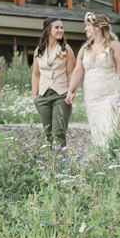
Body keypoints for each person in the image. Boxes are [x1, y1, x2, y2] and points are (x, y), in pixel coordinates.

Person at [66, 12, 120, 148]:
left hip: (110, 95)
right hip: (91, 98)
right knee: (97, 130)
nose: (85, 29)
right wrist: (70, 91)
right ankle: (104, 160)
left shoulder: (113, 46)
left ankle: (115, 155)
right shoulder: (84, 48)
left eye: (88, 25)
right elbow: (77, 71)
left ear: (98, 27)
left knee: (110, 129)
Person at [32, 17, 76, 149]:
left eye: (61, 27)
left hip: (61, 96)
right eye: (57, 27)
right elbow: (35, 74)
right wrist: (35, 97)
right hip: (43, 97)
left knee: (59, 135)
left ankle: (62, 168)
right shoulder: (39, 50)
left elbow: (71, 74)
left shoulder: (66, 50)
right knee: (49, 136)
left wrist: (71, 93)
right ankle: (53, 167)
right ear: (48, 30)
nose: (60, 30)